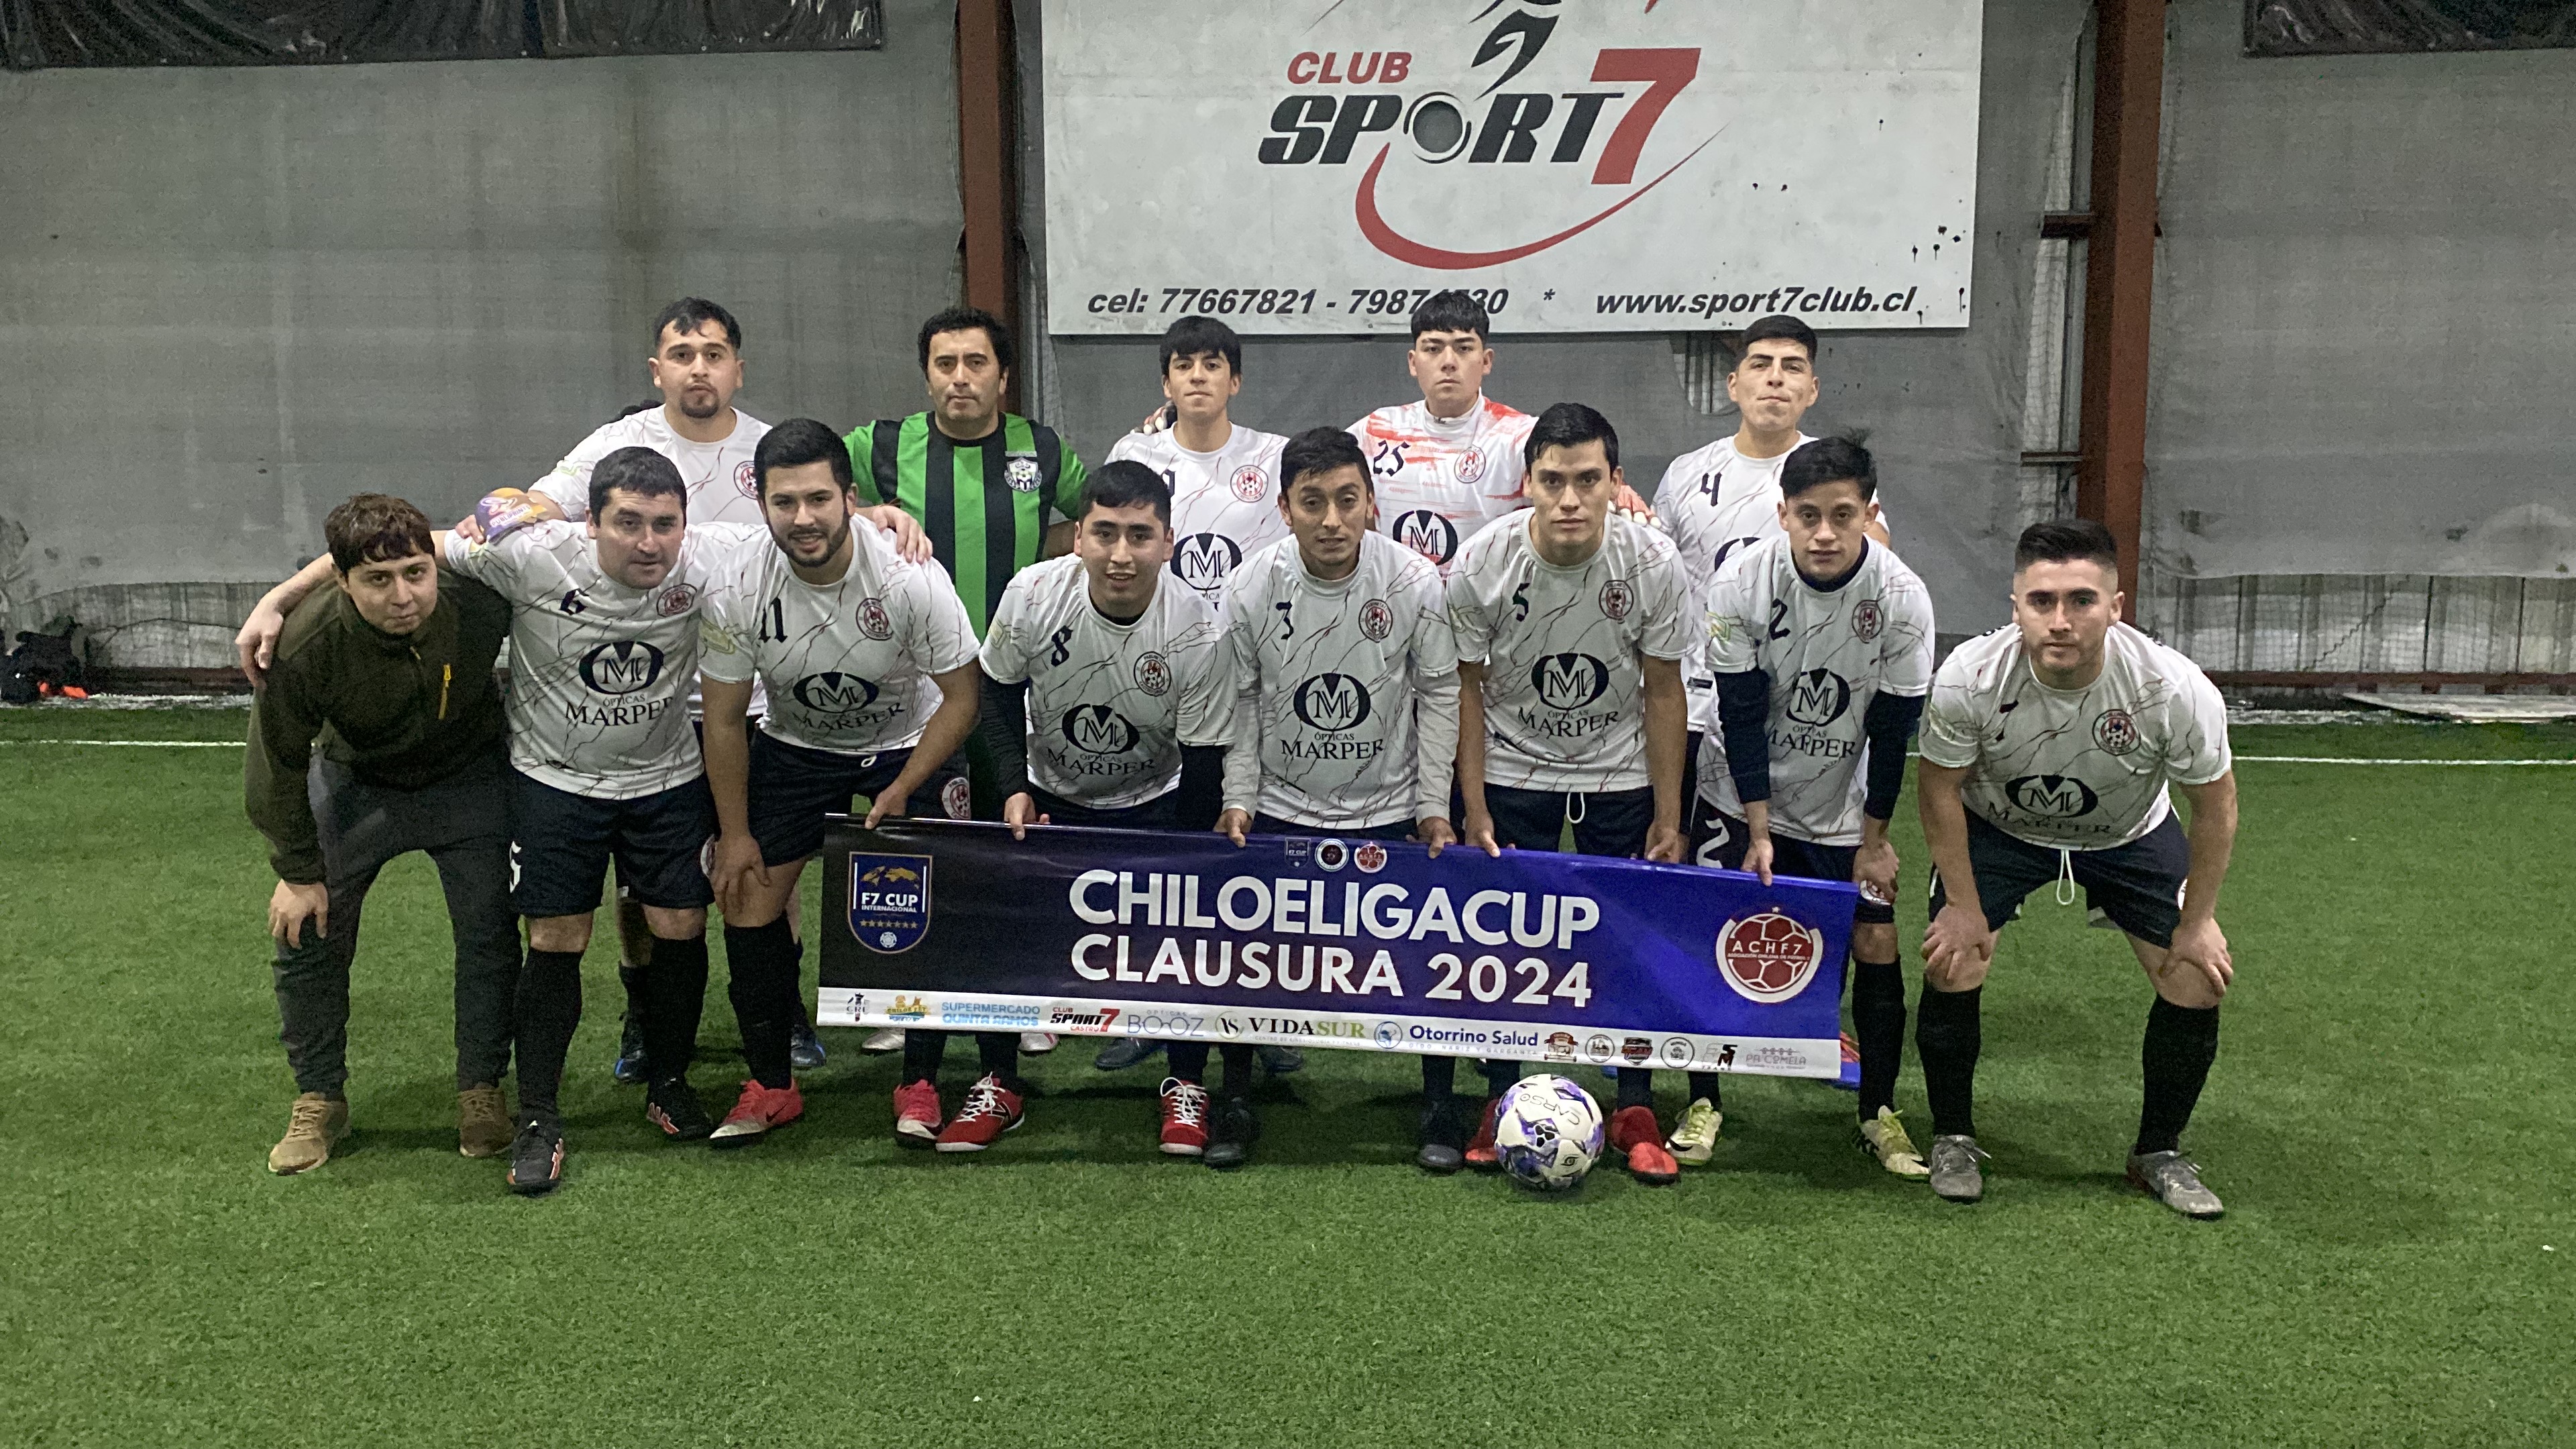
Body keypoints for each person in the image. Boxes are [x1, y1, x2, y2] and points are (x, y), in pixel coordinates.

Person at [439, 447, 765, 1191]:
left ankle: (668, 1084)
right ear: (590, 523)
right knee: (558, 938)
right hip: (555, 781)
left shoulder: (711, 556)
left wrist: (886, 518)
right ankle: (539, 1117)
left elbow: (809, 530)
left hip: (666, 779)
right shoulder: (532, 555)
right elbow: (410, 548)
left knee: (681, 925)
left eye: (664, 524)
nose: (649, 543)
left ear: (685, 524)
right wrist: (276, 602)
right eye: (627, 523)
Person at [1915, 519, 2239, 1218]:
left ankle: (2158, 1152)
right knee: (1953, 959)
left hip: (2129, 833)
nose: (2060, 620)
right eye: (2042, 601)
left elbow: (2215, 808)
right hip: (2001, 828)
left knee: (2196, 977)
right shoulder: (1970, 676)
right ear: (2016, 606)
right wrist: (1964, 908)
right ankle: (1953, 1137)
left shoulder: (2173, 688)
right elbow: (1939, 790)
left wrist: (2199, 921)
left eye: (2081, 600)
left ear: (2116, 606)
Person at [696, 419, 985, 1147]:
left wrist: (906, 784)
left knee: (928, 905)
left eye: (819, 499)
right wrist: (734, 834)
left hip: (909, 744)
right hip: (798, 746)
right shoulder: (736, 583)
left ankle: (920, 1081)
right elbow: (724, 720)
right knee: (748, 897)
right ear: (762, 504)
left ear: (850, 499)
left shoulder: (909, 575)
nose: (804, 518)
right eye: (784, 502)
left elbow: (962, 699)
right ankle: (772, 1083)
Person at [937, 461, 1232, 1156]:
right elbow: (995, 694)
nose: (1121, 554)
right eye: (1104, 533)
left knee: (1180, 941)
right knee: (1007, 933)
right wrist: (1012, 786)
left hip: (1154, 797)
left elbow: (1204, 757)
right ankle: (998, 1080)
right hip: (1048, 792)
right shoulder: (1034, 593)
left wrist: (1181, 850)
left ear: (1168, 542)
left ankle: (1185, 1082)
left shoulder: (1198, 629)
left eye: (1139, 535)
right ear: (1078, 538)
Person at [1446, 403, 1692, 1184]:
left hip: (1618, 772)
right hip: (1513, 769)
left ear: (1615, 481)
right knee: (1504, 943)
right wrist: (1474, 804)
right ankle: (1501, 1095)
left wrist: (1668, 812)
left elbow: (1664, 689)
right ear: (1528, 482)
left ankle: (1635, 1106)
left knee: (1627, 939)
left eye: (1588, 480)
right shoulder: (1483, 561)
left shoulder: (1651, 561)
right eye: (1552, 481)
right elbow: (1465, 688)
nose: (1570, 500)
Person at [242, 494, 520, 1179]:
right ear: (342, 580)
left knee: (489, 929)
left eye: (415, 573)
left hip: (467, 776)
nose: (404, 597)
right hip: (358, 783)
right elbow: (275, 764)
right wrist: (298, 871)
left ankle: (481, 1088)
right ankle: (319, 1097)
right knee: (304, 930)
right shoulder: (305, 644)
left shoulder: (479, 598)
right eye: (377, 580)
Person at [845, 305, 1091, 1057]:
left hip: (1009, 680)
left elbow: (1094, 517)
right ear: (927, 375)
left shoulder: (1040, 450)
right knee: (921, 841)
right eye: (945, 363)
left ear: (1003, 376)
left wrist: (1041, 547)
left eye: (976, 363)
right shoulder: (881, 446)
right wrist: (873, 512)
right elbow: (810, 494)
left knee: (1013, 836)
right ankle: (906, 996)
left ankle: (1022, 996)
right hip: (914, 684)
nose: (960, 377)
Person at [1215, 427, 1460, 1169]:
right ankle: (1234, 1097)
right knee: (1252, 959)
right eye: (1312, 502)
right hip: (1282, 803)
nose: (1331, 520)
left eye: (1347, 501)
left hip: (1389, 806)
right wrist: (1239, 796)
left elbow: (1440, 692)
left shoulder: (1413, 581)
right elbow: (1241, 700)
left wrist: (1434, 804)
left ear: (1372, 504)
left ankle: (1439, 1102)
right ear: (1284, 509)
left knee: (1426, 960)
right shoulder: (1251, 586)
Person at [1693, 438, 1936, 1176]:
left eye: (1842, 515)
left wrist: (1875, 840)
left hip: (1842, 805)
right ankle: (1702, 1102)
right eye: (1808, 516)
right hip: (1735, 793)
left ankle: (1879, 1112)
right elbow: (1739, 713)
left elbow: (1893, 731)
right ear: (1783, 515)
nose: (1825, 533)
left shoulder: (1902, 599)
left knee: (1877, 943)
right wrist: (1758, 828)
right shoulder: (1741, 582)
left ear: (1869, 512)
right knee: (1713, 935)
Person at [1094, 315, 1305, 1079]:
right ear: (1165, 382)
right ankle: (1149, 1011)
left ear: (1235, 379)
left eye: (1212, 364)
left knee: (1242, 850)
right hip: (1159, 674)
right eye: (1183, 365)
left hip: (1253, 677)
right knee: (1162, 856)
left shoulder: (1273, 457)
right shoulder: (1135, 454)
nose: (1197, 377)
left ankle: (1259, 1016)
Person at [1347, 290, 1536, 578]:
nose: (1449, 362)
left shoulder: (1522, 437)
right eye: (1433, 349)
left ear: (1486, 361)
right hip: (1398, 599)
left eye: (1464, 348)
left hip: (1488, 601)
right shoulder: (1374, 430)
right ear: (1413, 362)